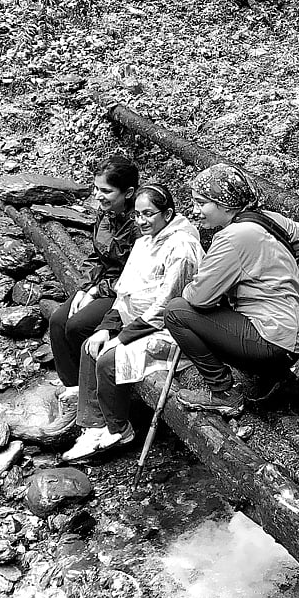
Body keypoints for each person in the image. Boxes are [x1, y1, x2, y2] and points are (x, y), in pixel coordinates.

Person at [164, 163, 299, 416]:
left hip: (270, 343)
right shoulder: (268, 219)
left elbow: (198, 298)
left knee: (176, 311)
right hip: (293, 340)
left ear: (226, 205)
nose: (195, 210)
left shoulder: (232, 238)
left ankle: (223, 394)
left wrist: (191, 287)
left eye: (201, 203)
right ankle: (266, 378)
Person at [62, 183, 204, 462]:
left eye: (148, 214)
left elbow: (166, 305)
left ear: (168, 213)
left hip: (170, 330)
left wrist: (124, 336)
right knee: (91, 345)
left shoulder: (183, 247)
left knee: (109, 359)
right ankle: (94, 425)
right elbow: (124, 292)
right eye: (138, 214)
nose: (141, 221)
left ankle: (118, 428)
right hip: (134, 321)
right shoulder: (143, 241)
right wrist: (107, 327)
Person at [49, 155, 139, 401]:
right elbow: (96, 256)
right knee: (58, 320)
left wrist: (97, 292)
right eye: (96, 189)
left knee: (77, 326)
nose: (98, 196)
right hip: (101, 282)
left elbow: (136, 274)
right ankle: (74, 385)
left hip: (124, 290)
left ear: (128, 192)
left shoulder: (139, 225)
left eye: (106, 191)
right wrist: (84, 288)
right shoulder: (105, 214)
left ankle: (101, 391)